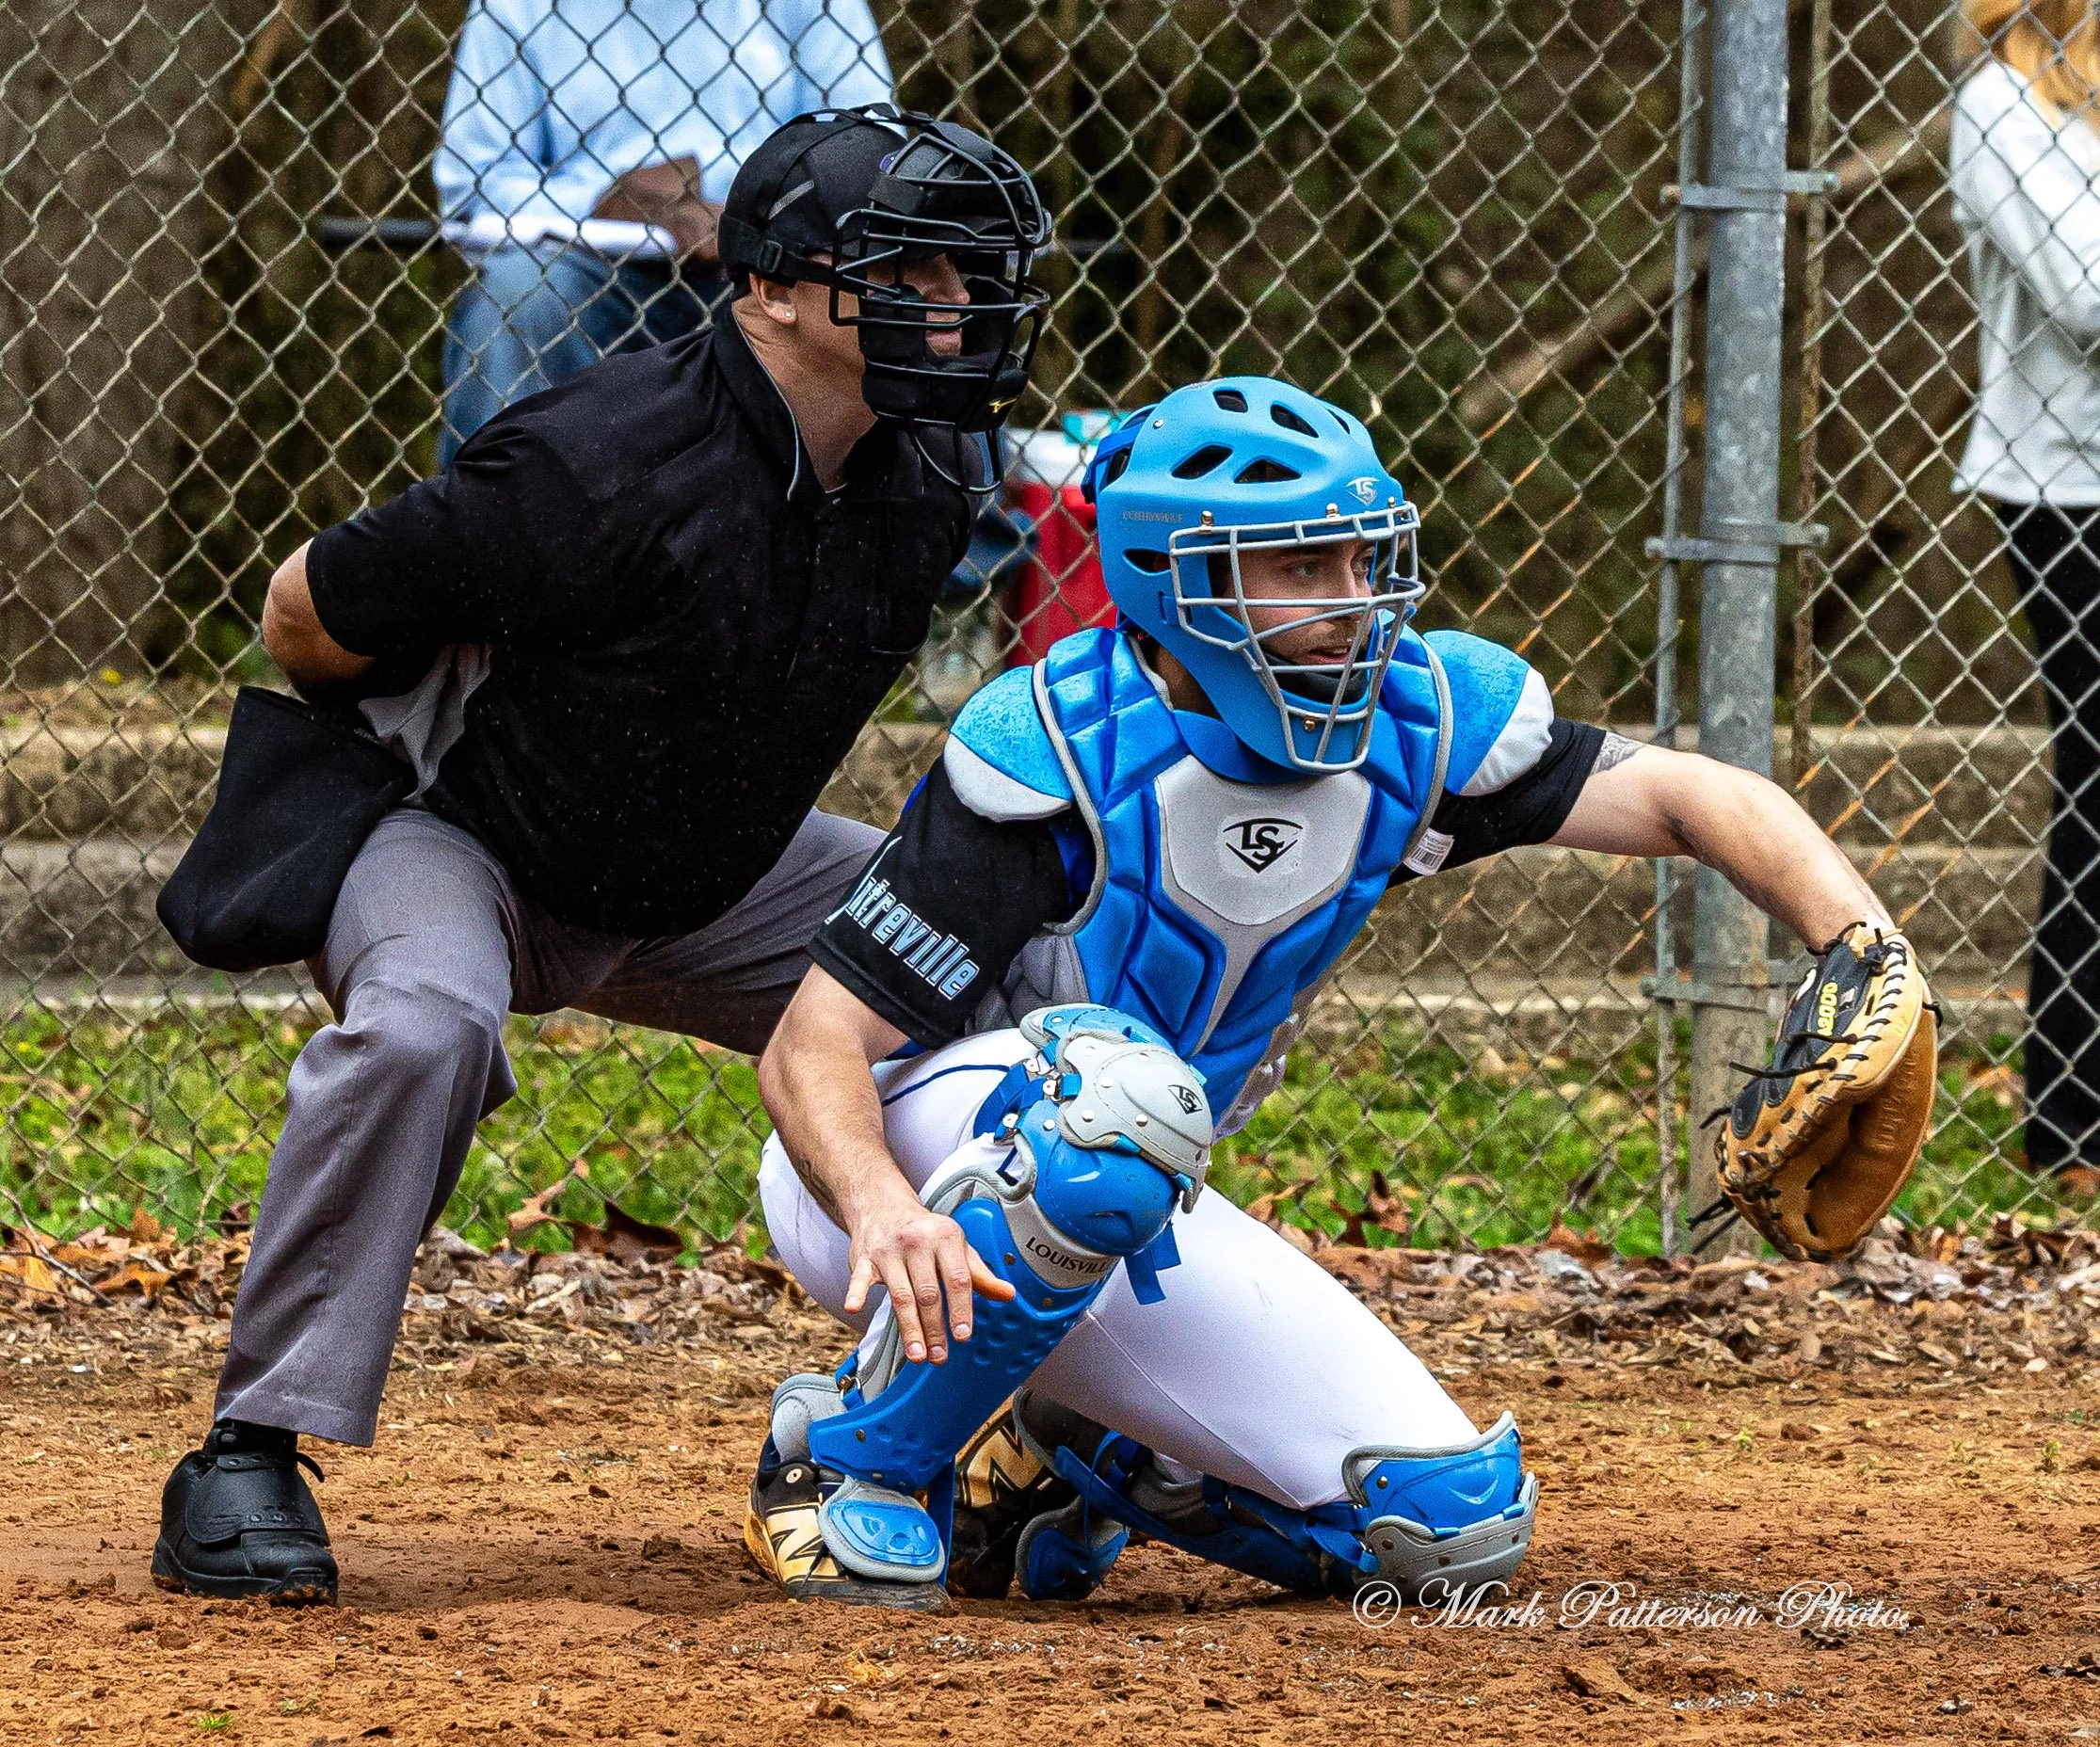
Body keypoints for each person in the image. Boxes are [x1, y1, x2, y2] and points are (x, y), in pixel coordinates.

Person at [738, 375, 1919, 1609]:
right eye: (1299, 564)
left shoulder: (1412, 728)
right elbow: (809, 1048)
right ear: (1165, 575)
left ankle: (1040, 1450)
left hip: (1120, 1196)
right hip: (894, 1189)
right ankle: (851, 1460)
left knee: (1443, 1533)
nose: (1349, 603)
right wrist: (879, 1211)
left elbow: (1691, 796)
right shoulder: (1061, 750)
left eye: (1360, 557)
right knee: (1117, 1115)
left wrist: (1859, 947)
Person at [150, 105, 1050, 1607]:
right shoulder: (592, 461)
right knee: (426, 1020)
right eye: (914, 274)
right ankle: (247, 1449)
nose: (956, 308)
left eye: (970, 276)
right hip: (469, 843)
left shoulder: (935, 470)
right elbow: (304, 608)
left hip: (716, 880)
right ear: (770, 288)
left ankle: (1026, 1428)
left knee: (1023, 955)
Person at [433, 0, 892, 467]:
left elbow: (871, 149)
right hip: (588, 267)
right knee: (516, 301)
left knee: (920, 308)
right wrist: (605, 204)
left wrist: (751, 207)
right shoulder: (518, 8)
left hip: (769, 260)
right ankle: (498, 523)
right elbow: (474, 184)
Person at [1952, 0, 2100, 1199]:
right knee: (2099, 779)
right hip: (2066, 491)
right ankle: (2069, 1117)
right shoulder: (1997, 110)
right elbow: (2085, 291)